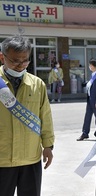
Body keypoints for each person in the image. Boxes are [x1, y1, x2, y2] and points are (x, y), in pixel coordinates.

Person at [0, 35, 55, 196]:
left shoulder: (37, 84)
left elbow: (45, 117)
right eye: (16, 61)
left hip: (30, 158)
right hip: (2, 159)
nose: (20, 66)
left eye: (25, 61)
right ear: (2, 57)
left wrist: (48, 146)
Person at [77, 58, 96, 141]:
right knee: (87, 117)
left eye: (90, 65)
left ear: (93, 66)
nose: (89, 67)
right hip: (90, 100)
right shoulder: (93, 75)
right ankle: (85, 133)